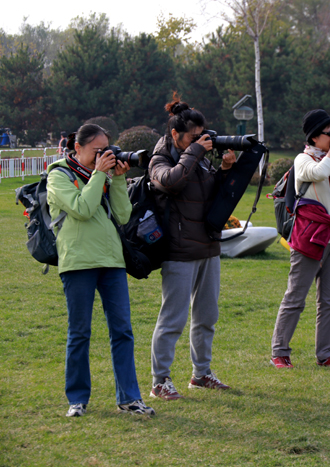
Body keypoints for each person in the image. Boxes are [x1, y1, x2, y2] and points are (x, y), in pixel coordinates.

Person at [46, 124, 155, 417]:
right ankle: (77, 399)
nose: (103, 155)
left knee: (123, 331)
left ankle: (129, 398)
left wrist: (117, 179)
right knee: (79, 332)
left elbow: (123, 215)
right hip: (78, 261)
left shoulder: (103, 176)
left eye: (106, 149)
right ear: (77, 148)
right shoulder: (58, 175)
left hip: (112, 261)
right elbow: (81, 208)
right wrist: (99, 174)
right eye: (97, 151)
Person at [148, 95, 237, 400]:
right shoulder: (160, 159)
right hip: (179, 251)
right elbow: (171, 182)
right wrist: (196, 151)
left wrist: (225, 170)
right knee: (173, 318)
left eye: (202, 136)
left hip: (208, 246)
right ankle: (160, 380)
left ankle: (201, 373)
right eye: (192, 137)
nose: (199, 142)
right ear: (175, 134)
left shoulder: (199, 159)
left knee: (207, 316)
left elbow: (213, 196)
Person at [270, 109, 330, 369]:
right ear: (314, 137)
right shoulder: (303, 159)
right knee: (295, 298)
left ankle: (326, 354)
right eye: (329, 132)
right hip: (309, 239)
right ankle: (279, 352)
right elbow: (319, 173)